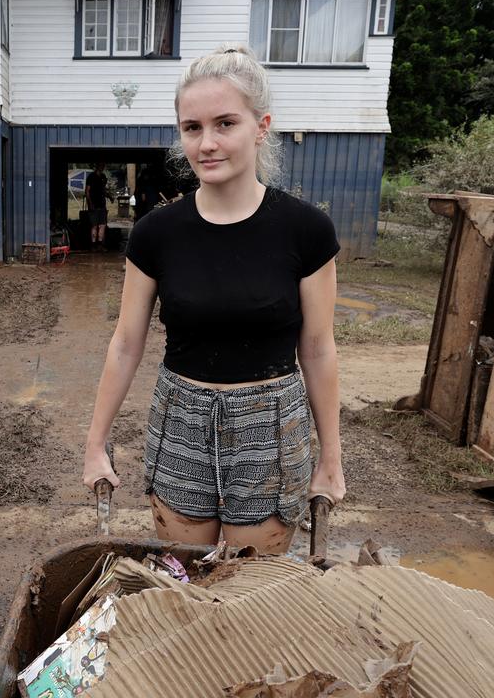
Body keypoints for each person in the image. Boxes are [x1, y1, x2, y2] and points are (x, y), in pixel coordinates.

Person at [80, 44, 345, 555]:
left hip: (269, 429)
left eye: (225, 123)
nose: (207, 143)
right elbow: (125, 344)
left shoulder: (306, 231)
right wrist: (96, 443)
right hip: (180, 421)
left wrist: (330, 458)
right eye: (193, 128)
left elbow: (317, 349)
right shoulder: (156, 233)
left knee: (252, 593)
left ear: (261, 125)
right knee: (187, 582)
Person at [85, 162, 109, 249]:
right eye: (100, 165)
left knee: (102, 225)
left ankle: (100, 244)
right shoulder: (91, 177)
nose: (102, 167)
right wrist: (90, 203)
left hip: (102, 205)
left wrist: (109, 196)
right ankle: (93, 245)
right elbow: (87, 191)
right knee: (94, 225)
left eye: (103, 166)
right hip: (93, 205)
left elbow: (104, 190)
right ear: (97, 166)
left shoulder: (103, 177)